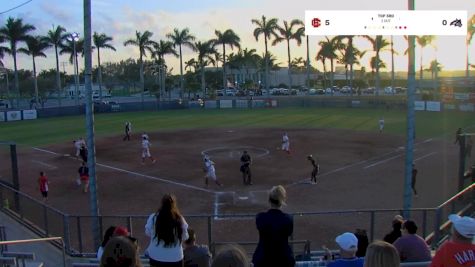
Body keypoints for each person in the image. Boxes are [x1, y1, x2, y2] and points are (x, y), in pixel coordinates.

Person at [252, 185, 294, 267]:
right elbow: (288, 232)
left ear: (269, 200)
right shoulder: (288, 219)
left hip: (263, 260)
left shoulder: (260, 217)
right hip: (283, 260)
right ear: (282, 201)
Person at [145, 194, 189, 267]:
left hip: (156, 257)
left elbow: (147, 233)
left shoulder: (153, 217)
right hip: (176, 258)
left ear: (162, 204)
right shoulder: (180, 219)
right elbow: (185, 237)